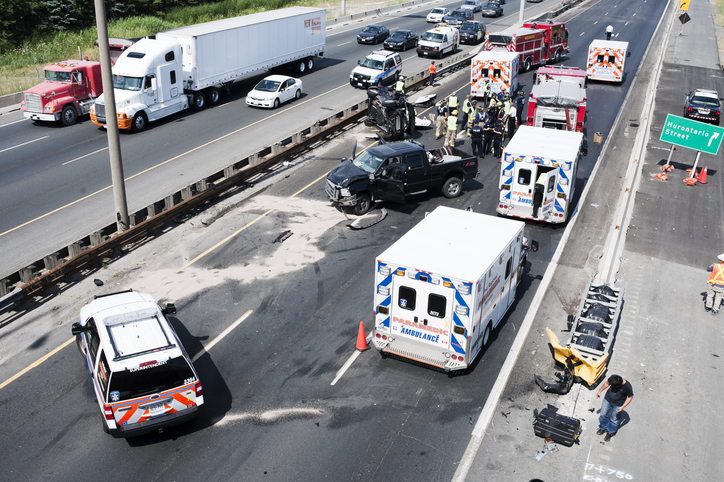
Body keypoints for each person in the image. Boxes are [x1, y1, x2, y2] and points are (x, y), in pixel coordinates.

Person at [596, 374, 634, 442]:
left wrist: (622, 407)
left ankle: (610, 432)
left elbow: (630, 397)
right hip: (607, 399)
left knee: (614, 419)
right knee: (602, 414)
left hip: (618, 404)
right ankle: (603, 427)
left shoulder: (627, 387)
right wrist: (600, 391)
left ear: (619, 385)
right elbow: (607, 383)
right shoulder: (613, 378)